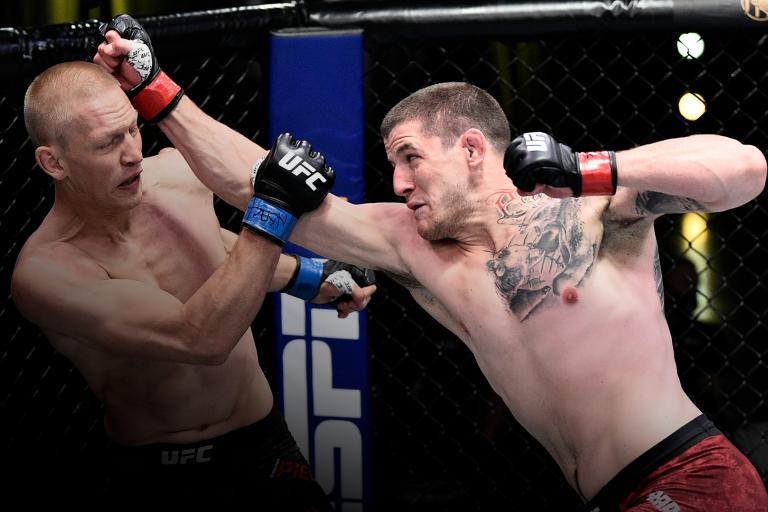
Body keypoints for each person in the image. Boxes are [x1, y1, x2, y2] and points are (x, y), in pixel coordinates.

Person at [95, 15, 768, 510]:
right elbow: (259, 184)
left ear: (473, 149)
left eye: (411, 157)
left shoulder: (589, 209)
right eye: (391, 163)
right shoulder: (408, 246)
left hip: (689, 471)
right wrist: (159, 93)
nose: (398, 182)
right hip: (604, 494)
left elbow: (745, 167)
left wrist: (597, 168)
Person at [10, 59, 377, 509]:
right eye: (107, 144)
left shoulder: (176, 176)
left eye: (132, 129)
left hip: (264, 441)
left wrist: (306, 277)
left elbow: (211, 247)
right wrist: (272, 211)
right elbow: (200, 338)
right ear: (53, 162)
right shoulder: (47, 272)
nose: (131, 154)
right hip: (161, 474)